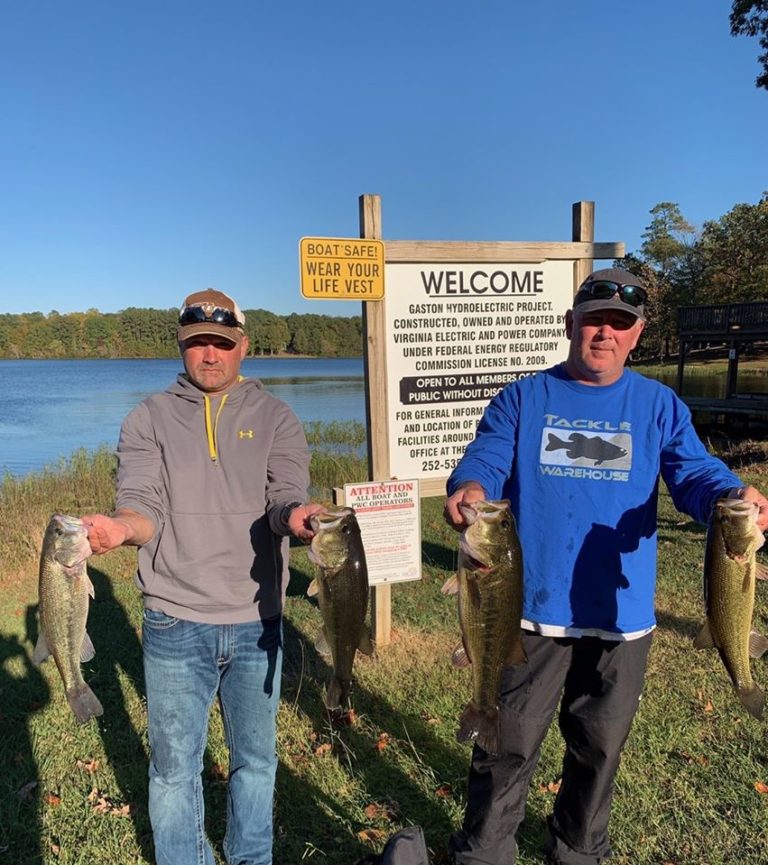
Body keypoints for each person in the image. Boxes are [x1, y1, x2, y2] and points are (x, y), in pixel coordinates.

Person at [443, 267, 768, 865]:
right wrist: (471, 487)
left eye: (620, 324)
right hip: (531, 611)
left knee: (598, 749)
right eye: (595, 321)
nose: (605, 333)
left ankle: (577, 852)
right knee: (507, 745)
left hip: (621, 617)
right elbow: (486, 457)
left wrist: (731, 494)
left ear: (637, 334)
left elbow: (694, 473)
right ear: (571, 323)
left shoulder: (658, 404)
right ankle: (484, 852)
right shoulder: (524, 397)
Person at [83, 288, 324, 865]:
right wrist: (120, 528)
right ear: (181, 346)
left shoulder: (277, 417)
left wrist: (298, 516)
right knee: (173, 770)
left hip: (257, 620)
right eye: (198, 343)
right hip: (174, 619)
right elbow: (143, 504)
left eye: (221, 342)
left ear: (243, 346)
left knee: (256, 762)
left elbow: (284, 496)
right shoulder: (148, 418)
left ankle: (250, 859)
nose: (210, 354)